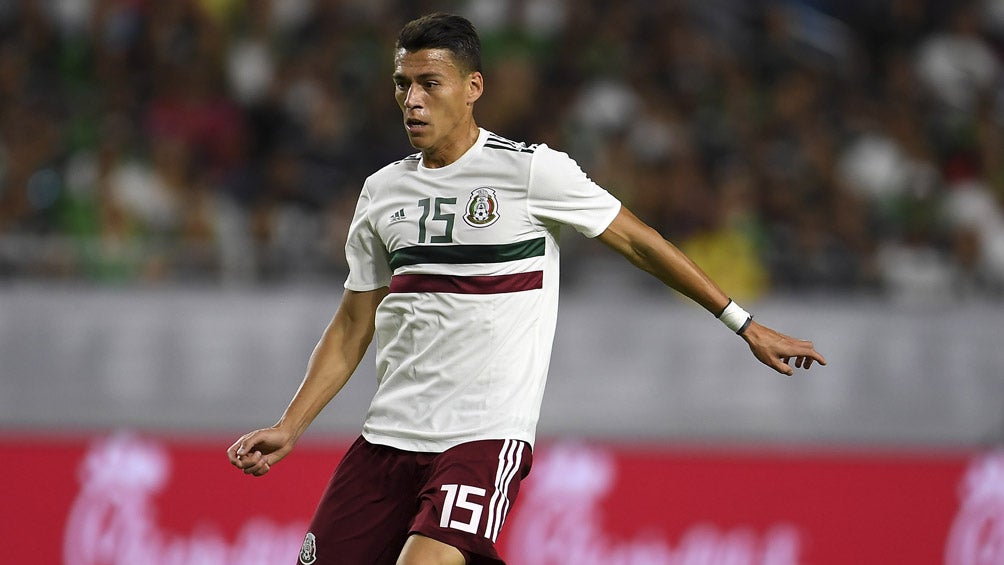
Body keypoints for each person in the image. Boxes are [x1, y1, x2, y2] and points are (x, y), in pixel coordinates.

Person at [227, 12, 826, 565]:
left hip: (482, 436)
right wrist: (292, 423)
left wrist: (743, 323)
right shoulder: (382, 191)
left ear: (473, 88)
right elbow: (354, 325)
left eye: (429, 83)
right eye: (401, 84)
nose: (411, 99)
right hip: (386, 439)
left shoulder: (531, 171)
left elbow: (641, 242)